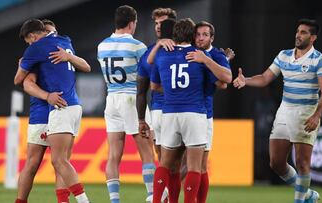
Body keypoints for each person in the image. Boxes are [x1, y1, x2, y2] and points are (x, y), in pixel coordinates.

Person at [233, 18, 322, 203]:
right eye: (297, 31)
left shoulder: (319, 60)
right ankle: (309, 195)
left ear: (313, 38)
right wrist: (245, 80)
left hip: (306, 112)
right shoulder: (284, 55)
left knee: (302, 163)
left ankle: (300, 200)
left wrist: (316, 115)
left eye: (303, 32)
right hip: (284, 111)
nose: (298, 35)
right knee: (276, 163)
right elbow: (264, 78)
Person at [150, 18, 230, 203]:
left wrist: (173, 90)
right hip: (195, 113)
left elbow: (154, 86)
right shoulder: (199, 56)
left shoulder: (162, 55)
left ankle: (157, 201)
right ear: (192, 35)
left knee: (165, 164)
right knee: (195, 166)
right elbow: (223, 82)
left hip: (169, 113)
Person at [14, 19, 91, 203]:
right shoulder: (64, 43)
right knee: (56, 161)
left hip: (57, 107)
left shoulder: (38, 48)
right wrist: (48, 96)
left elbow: (21, 80)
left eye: (29, 41)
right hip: (54, 107)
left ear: (34, 36)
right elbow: (28, 84)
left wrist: (21, 65)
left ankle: (76, 200)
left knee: (58, 162)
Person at [97, 5, 155, 203]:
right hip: (131, 98)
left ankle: (114, 200)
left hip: (111, 99)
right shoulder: (138, 47)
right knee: (146, 150)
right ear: (132, 23)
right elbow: (148, 75)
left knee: (113, 154)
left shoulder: (101, 46)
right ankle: (151, 195)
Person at [186, 20, 234, 203]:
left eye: (205, 35)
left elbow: (225, 81)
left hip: (204, 114)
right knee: (181, 164)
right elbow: (220, 82)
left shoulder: (216, 55)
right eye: (198, 34)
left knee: (201, 166)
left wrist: (207, 60)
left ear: (212, 37)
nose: (200, 38)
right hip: (184, 112)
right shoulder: (188, 51)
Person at [137, 10, 176, 202]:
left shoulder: (188, 48)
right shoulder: (148, 54)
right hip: (159, 111)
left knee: (188, 161)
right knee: (164, 158)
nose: (159, 27)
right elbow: (141, 90)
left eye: (163, 23)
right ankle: (166, 195)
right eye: (156, 23)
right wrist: (141, 119)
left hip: (189, 110)